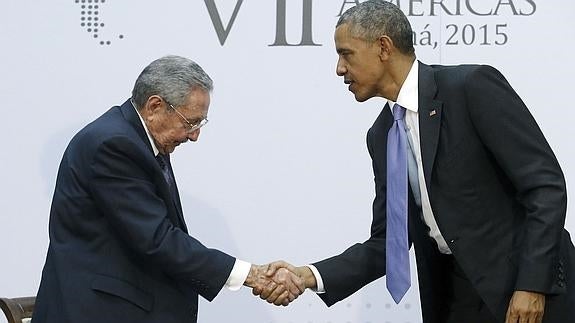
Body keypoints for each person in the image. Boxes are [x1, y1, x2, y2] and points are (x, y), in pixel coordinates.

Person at [263, 1, 575, 322]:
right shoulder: (382, 134)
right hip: (456, 299)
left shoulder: (471, 88)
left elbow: (545, 188)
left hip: (526, 292)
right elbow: (388, 242)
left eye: (346, 54)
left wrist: (532, 285)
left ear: (384, 47)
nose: (340, 68)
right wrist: (307, 276)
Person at [32, 55, 304, 323]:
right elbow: (157, 239)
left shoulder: (137, 139)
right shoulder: (114, 145)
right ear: (155, 106)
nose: (195, 135)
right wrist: (250, 274)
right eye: (191, 122)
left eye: (200, 123)